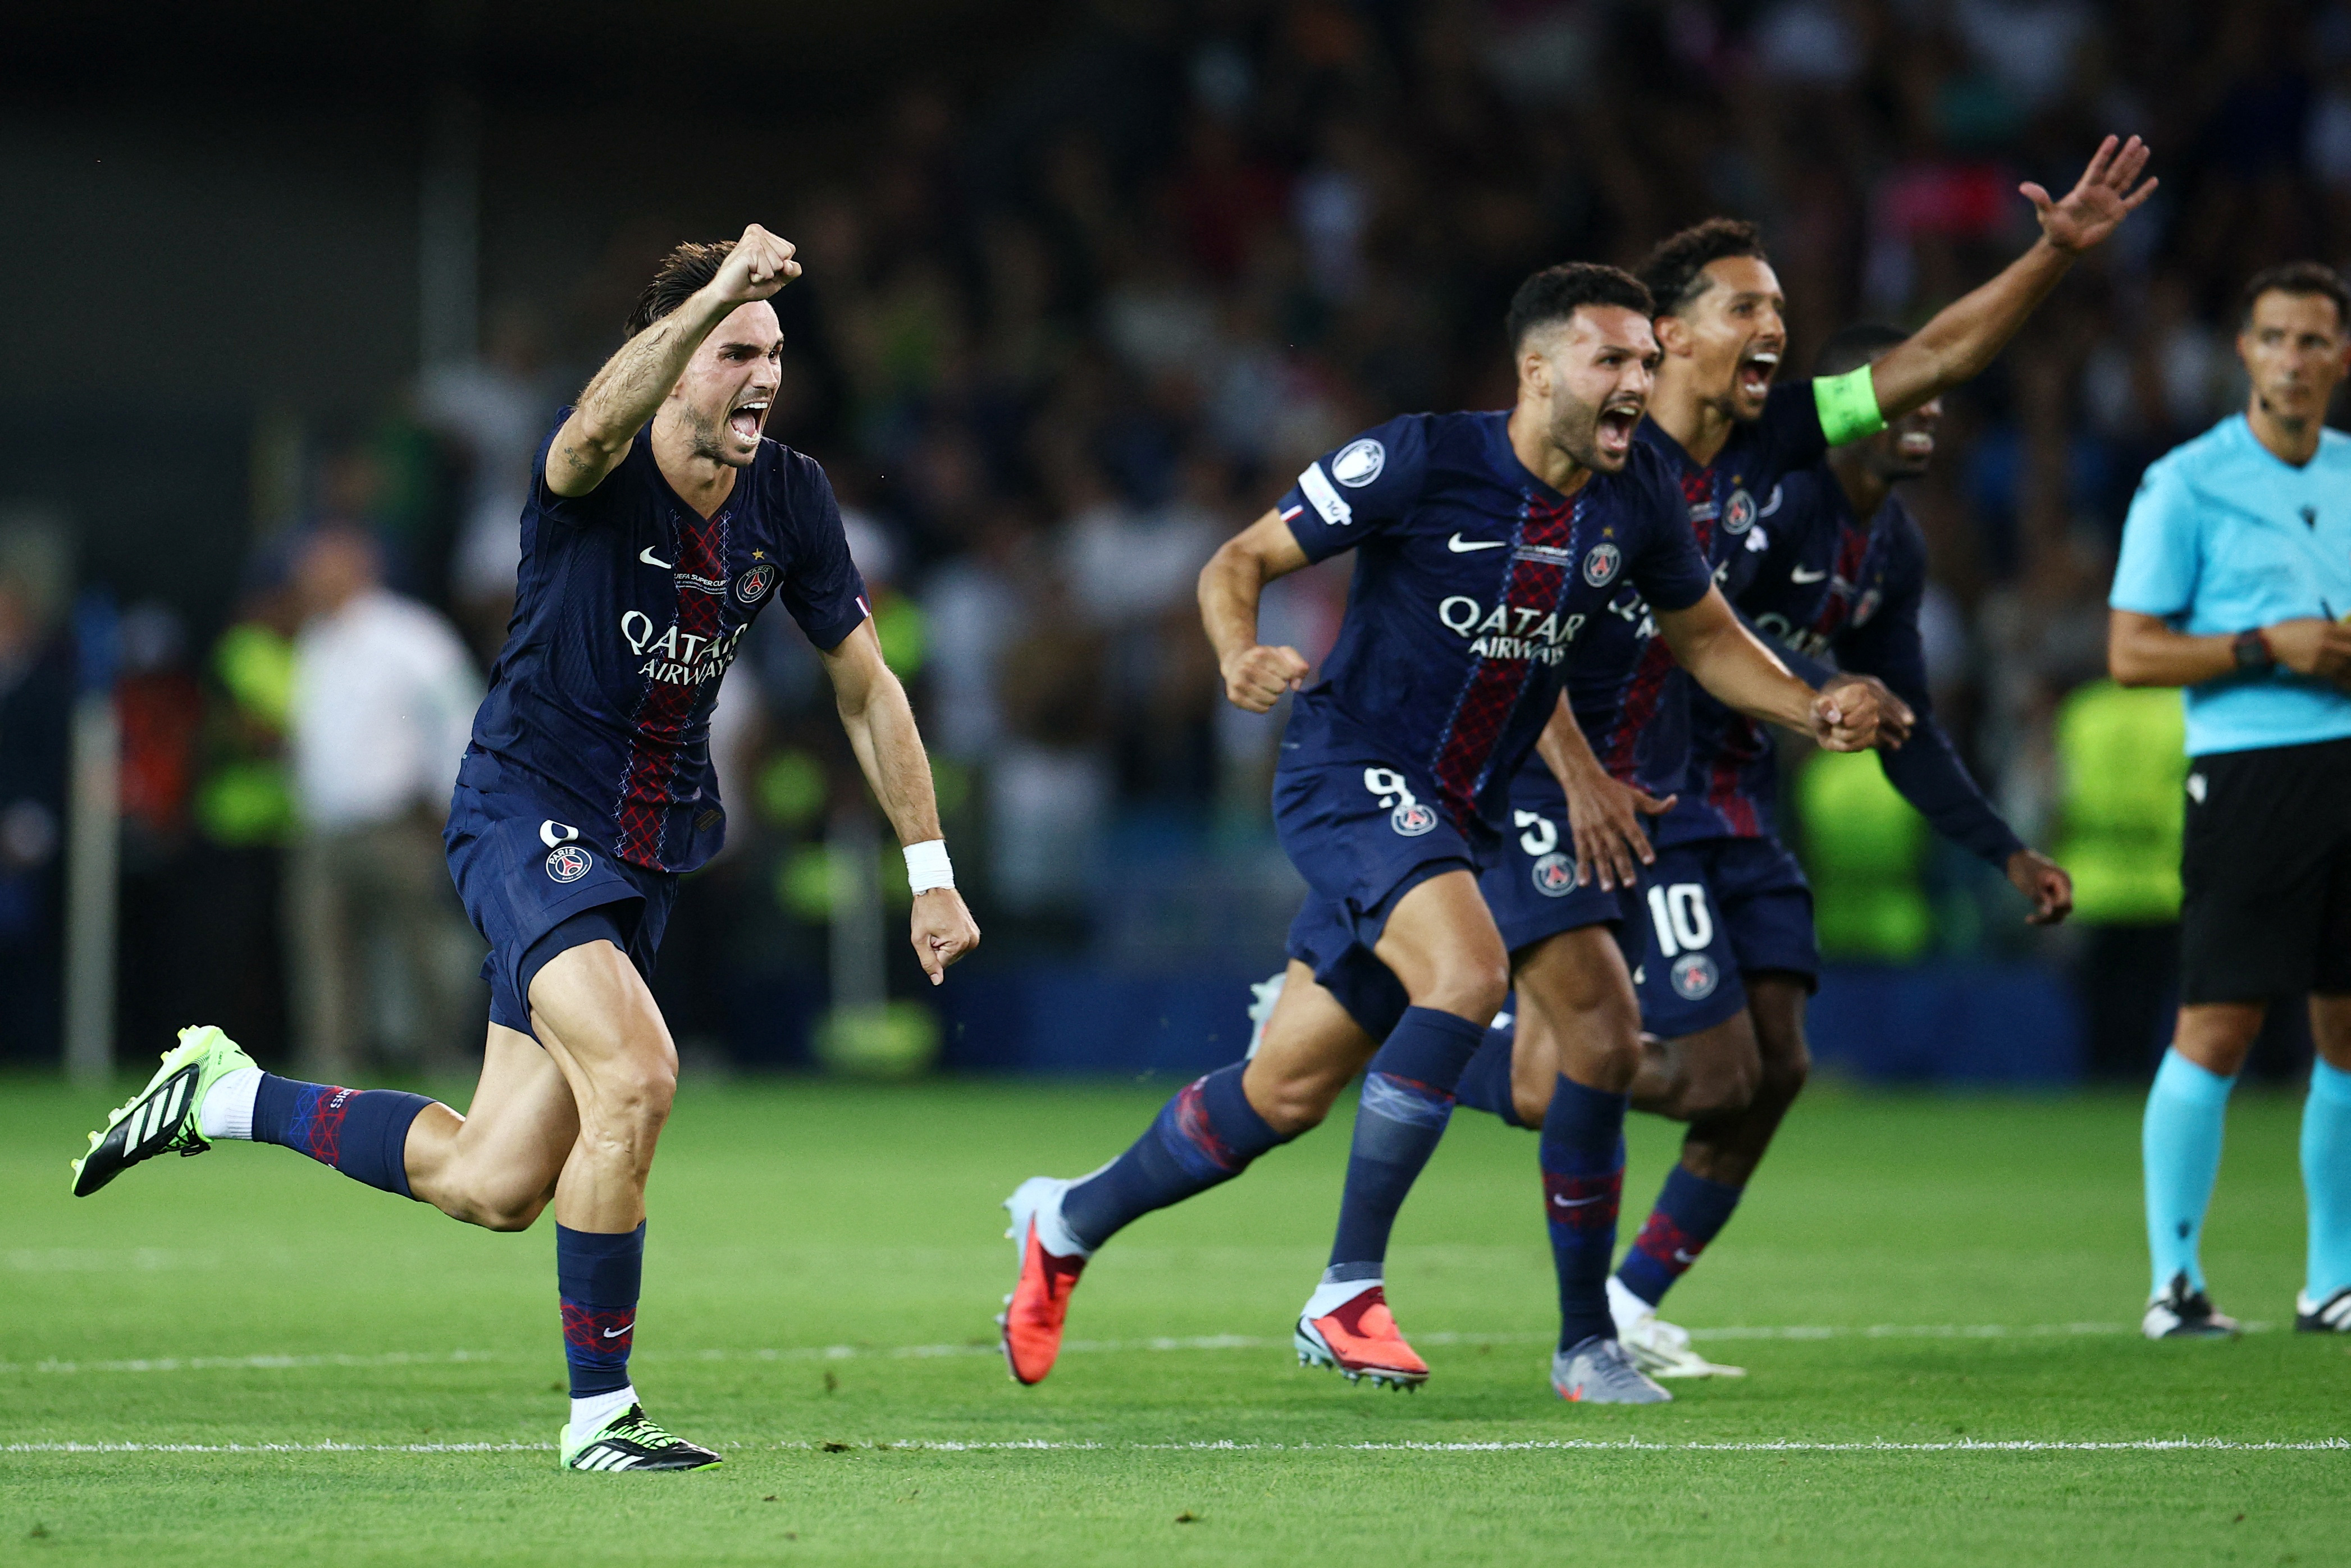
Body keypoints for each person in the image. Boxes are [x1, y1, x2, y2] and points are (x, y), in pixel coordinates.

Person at [70, 226, 982, 1470]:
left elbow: (867, 690)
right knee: (640, 1075)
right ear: (669, 358)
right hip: (523, 813)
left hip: (644, 854)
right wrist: (711, 288)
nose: (760, 373)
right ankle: (601, 1419)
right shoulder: (595, 462)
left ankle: (224, 1095)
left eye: (772, 350)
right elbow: (595, 425)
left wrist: (928, 872)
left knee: (494, 1182)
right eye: (731, 349)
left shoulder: (793, 499)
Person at [1284, 135, 2151, 1385]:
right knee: (1625, 1053)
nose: (1773, 330)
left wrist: (2049, 257)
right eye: (1745, 306)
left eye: (1781, 311)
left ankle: (1562, 1261)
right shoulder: (1586, 453)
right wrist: (1573, 768)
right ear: (1667, 335)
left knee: (1692, 1063)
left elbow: (1934, 359)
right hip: (1537, 775)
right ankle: (1573, 1311)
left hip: (1661, 787)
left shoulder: (1777, 440)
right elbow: (1521, 634)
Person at [998, 260, 1887, 1406]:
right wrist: (1236, 652)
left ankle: (1065, 1219)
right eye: (1609, 360)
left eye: (1643, 363)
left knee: (1283, 1090)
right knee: (1472, 974)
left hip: (1457, 814)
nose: (1636, 382)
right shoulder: (1421, 457)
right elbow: (1240, 558)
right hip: (1346, 773)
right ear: (1537, 370)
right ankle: (1347, 1291)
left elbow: (1709, 641)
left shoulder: (1634, 503)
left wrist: (1809, 702)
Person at [2106, 260, 2351, 1340]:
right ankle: (2175, 1281)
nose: (2292, 361)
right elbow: (2129, 651)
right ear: (2242, 351)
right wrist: (2267, 645)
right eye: (2273, 338)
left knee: (2347, 1026)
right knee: (2218, 1022)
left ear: (2340, 358)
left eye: (2312, 341)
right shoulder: (2186, 481)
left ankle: (2330, 1280)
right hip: (2249, 772)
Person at [284, 523, 484, 1077]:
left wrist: (452, 799)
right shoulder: (315, 639)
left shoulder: (409, 634)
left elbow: (456, 715)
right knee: (323, 952)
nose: (309, 577)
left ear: (359, 566)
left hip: (397, 822)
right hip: (323, 826)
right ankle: (333, 1061)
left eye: (322, 565)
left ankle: (441, 1053)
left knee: (421, 942)